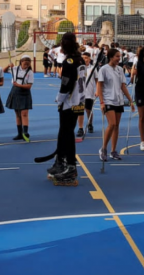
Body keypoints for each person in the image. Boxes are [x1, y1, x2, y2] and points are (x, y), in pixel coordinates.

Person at [48, 32, 87, 181]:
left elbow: (66, 84)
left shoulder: (70, 61)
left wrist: (59, 99)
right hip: (79, 101)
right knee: (65, 132)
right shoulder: (80, 60)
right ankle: (61, 161)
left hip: (70, 102)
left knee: (66, 133)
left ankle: (69, 166)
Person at [97, 49, 134, 162]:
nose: (119, 58)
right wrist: (102, 102)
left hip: (119, 100)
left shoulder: (119, 69)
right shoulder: (103, 69)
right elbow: (99, 86)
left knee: (116, 126)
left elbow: (123, 86)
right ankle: (103, 149)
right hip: (108, 100)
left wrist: (130, 101)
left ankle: (113, 151)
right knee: (112, 124)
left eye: (120, 56)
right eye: (117, 56)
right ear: (111, 57)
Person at [4, 56, 34, 142]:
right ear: (21, 62)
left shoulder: (30, 72)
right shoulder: (15, 69)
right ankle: (19, 134)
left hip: (24, 92)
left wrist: (19, 85)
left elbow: (29, 86)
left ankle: (25, 133)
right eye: (25, 63)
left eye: (28, 64)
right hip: (15, 92)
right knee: (17, 113)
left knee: (24, 113)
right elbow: (3, 71)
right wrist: (8, 65)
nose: (26, 65)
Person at [76, 51, 96, 138]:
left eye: (86, 58)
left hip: (89, 93)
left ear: (89, 59)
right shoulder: (78, 68)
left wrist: (97, 90)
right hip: (80, 93)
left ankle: (90, 124)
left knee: (88, 110)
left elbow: (97, 80)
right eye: (83, 58)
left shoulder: (93, 68)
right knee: (80, 111)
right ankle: (80, 128)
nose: (85, 59)